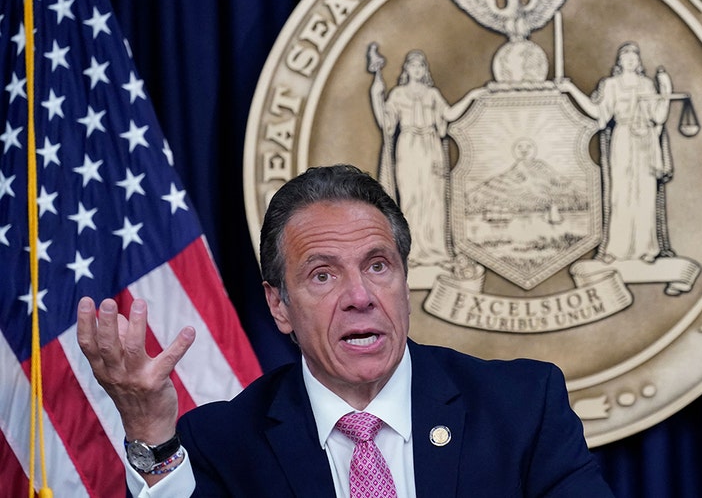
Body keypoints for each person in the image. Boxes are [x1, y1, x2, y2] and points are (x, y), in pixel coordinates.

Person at [77, 164, 614, 497]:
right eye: (323, 274)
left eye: (378, 265)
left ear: (404, 280)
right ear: (279, 307)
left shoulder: (521, 407)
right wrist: (150, 432)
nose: (360, 296)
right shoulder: (223, 443)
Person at [558, 42, 672, 263]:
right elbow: (598, 113)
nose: (630, 60)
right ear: (619, 62)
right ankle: (617, 249)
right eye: (626, 57)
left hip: (645, 141)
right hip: (623, 138)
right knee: (620, 194)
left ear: (638, 62)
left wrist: (665, 93)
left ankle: (647, 248)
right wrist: (571, 90)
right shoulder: (611, 85)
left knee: (645, 194)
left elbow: (658, 117)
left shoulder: (647, 85)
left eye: (634, 57)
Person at [369, 50, 484, 268]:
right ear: (407, 70)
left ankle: (436, 251)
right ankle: (412, 253)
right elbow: (386, 122)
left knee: (433, 199)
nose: (417, 70)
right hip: (409, 147)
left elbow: (448, 115)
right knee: (412, 198)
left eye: (421, 66)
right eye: (413, 66)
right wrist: (376, 94)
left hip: (430, 147)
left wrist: (472, 96)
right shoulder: (398, 95)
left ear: (425, 70)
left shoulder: (432, 94)